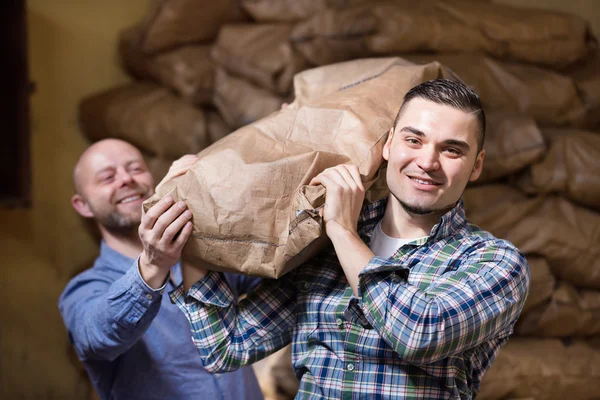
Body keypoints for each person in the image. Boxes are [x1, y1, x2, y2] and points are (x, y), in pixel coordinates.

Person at [170, 80, 530, 399]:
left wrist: (342, 230)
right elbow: (227, 347)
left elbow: (418, 333)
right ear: (389, 145)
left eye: (451, 149)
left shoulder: (494, 262)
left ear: (477, 165)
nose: (428, 161)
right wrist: (191, 222)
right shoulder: (320, 247)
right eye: (413, 140)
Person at [58, 139, 264, 400]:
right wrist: (153, 265)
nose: (125, 180)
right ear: (82, 205)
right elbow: (96, 337)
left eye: (135, 169)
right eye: (107, 177)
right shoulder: (85, 288)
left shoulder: (201, 256)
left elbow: (268, 273)